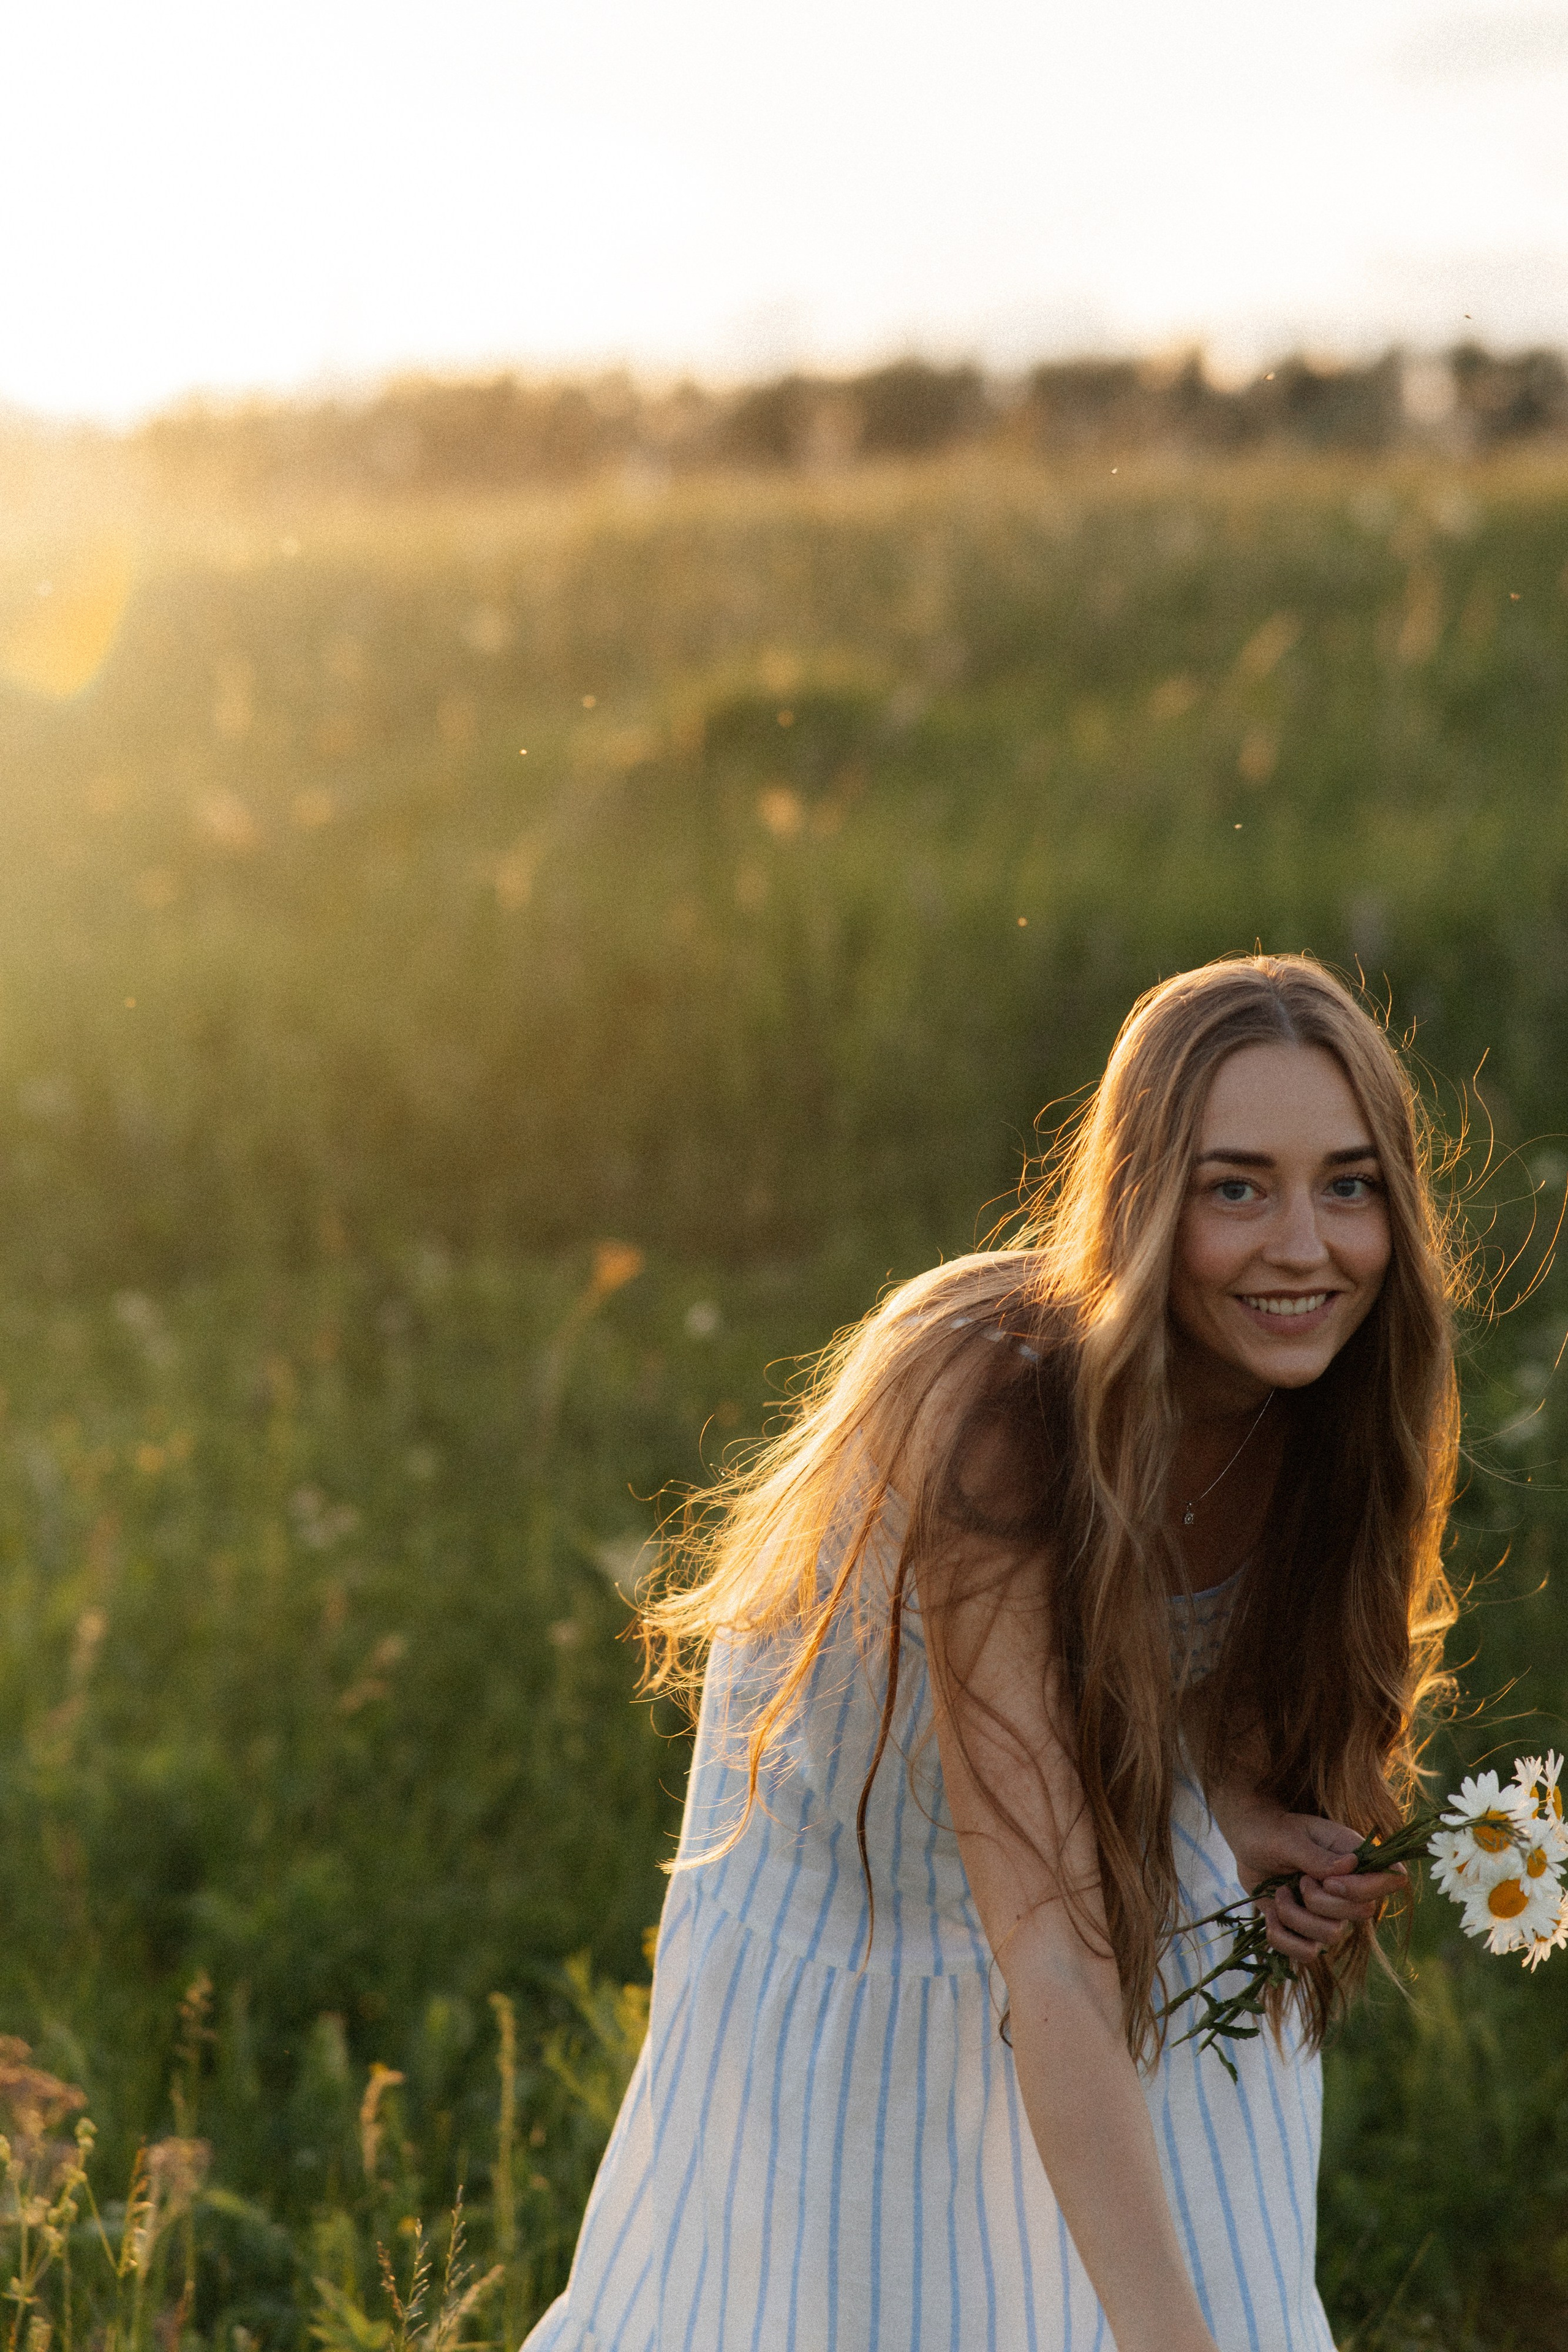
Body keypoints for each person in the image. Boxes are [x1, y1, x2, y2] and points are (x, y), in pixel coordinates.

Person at [524, 952, 1460, 2352]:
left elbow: (1186, 1721)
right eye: (1232, 1186)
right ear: (1141, 1197)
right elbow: (1053, 1958)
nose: (1301, 1246)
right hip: (870, 1934)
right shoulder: (992, 1413)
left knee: (1208, 2279)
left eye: (1347, 1183)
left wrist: (1240, 1818)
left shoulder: (1332, 1414)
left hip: (1106, 1905)